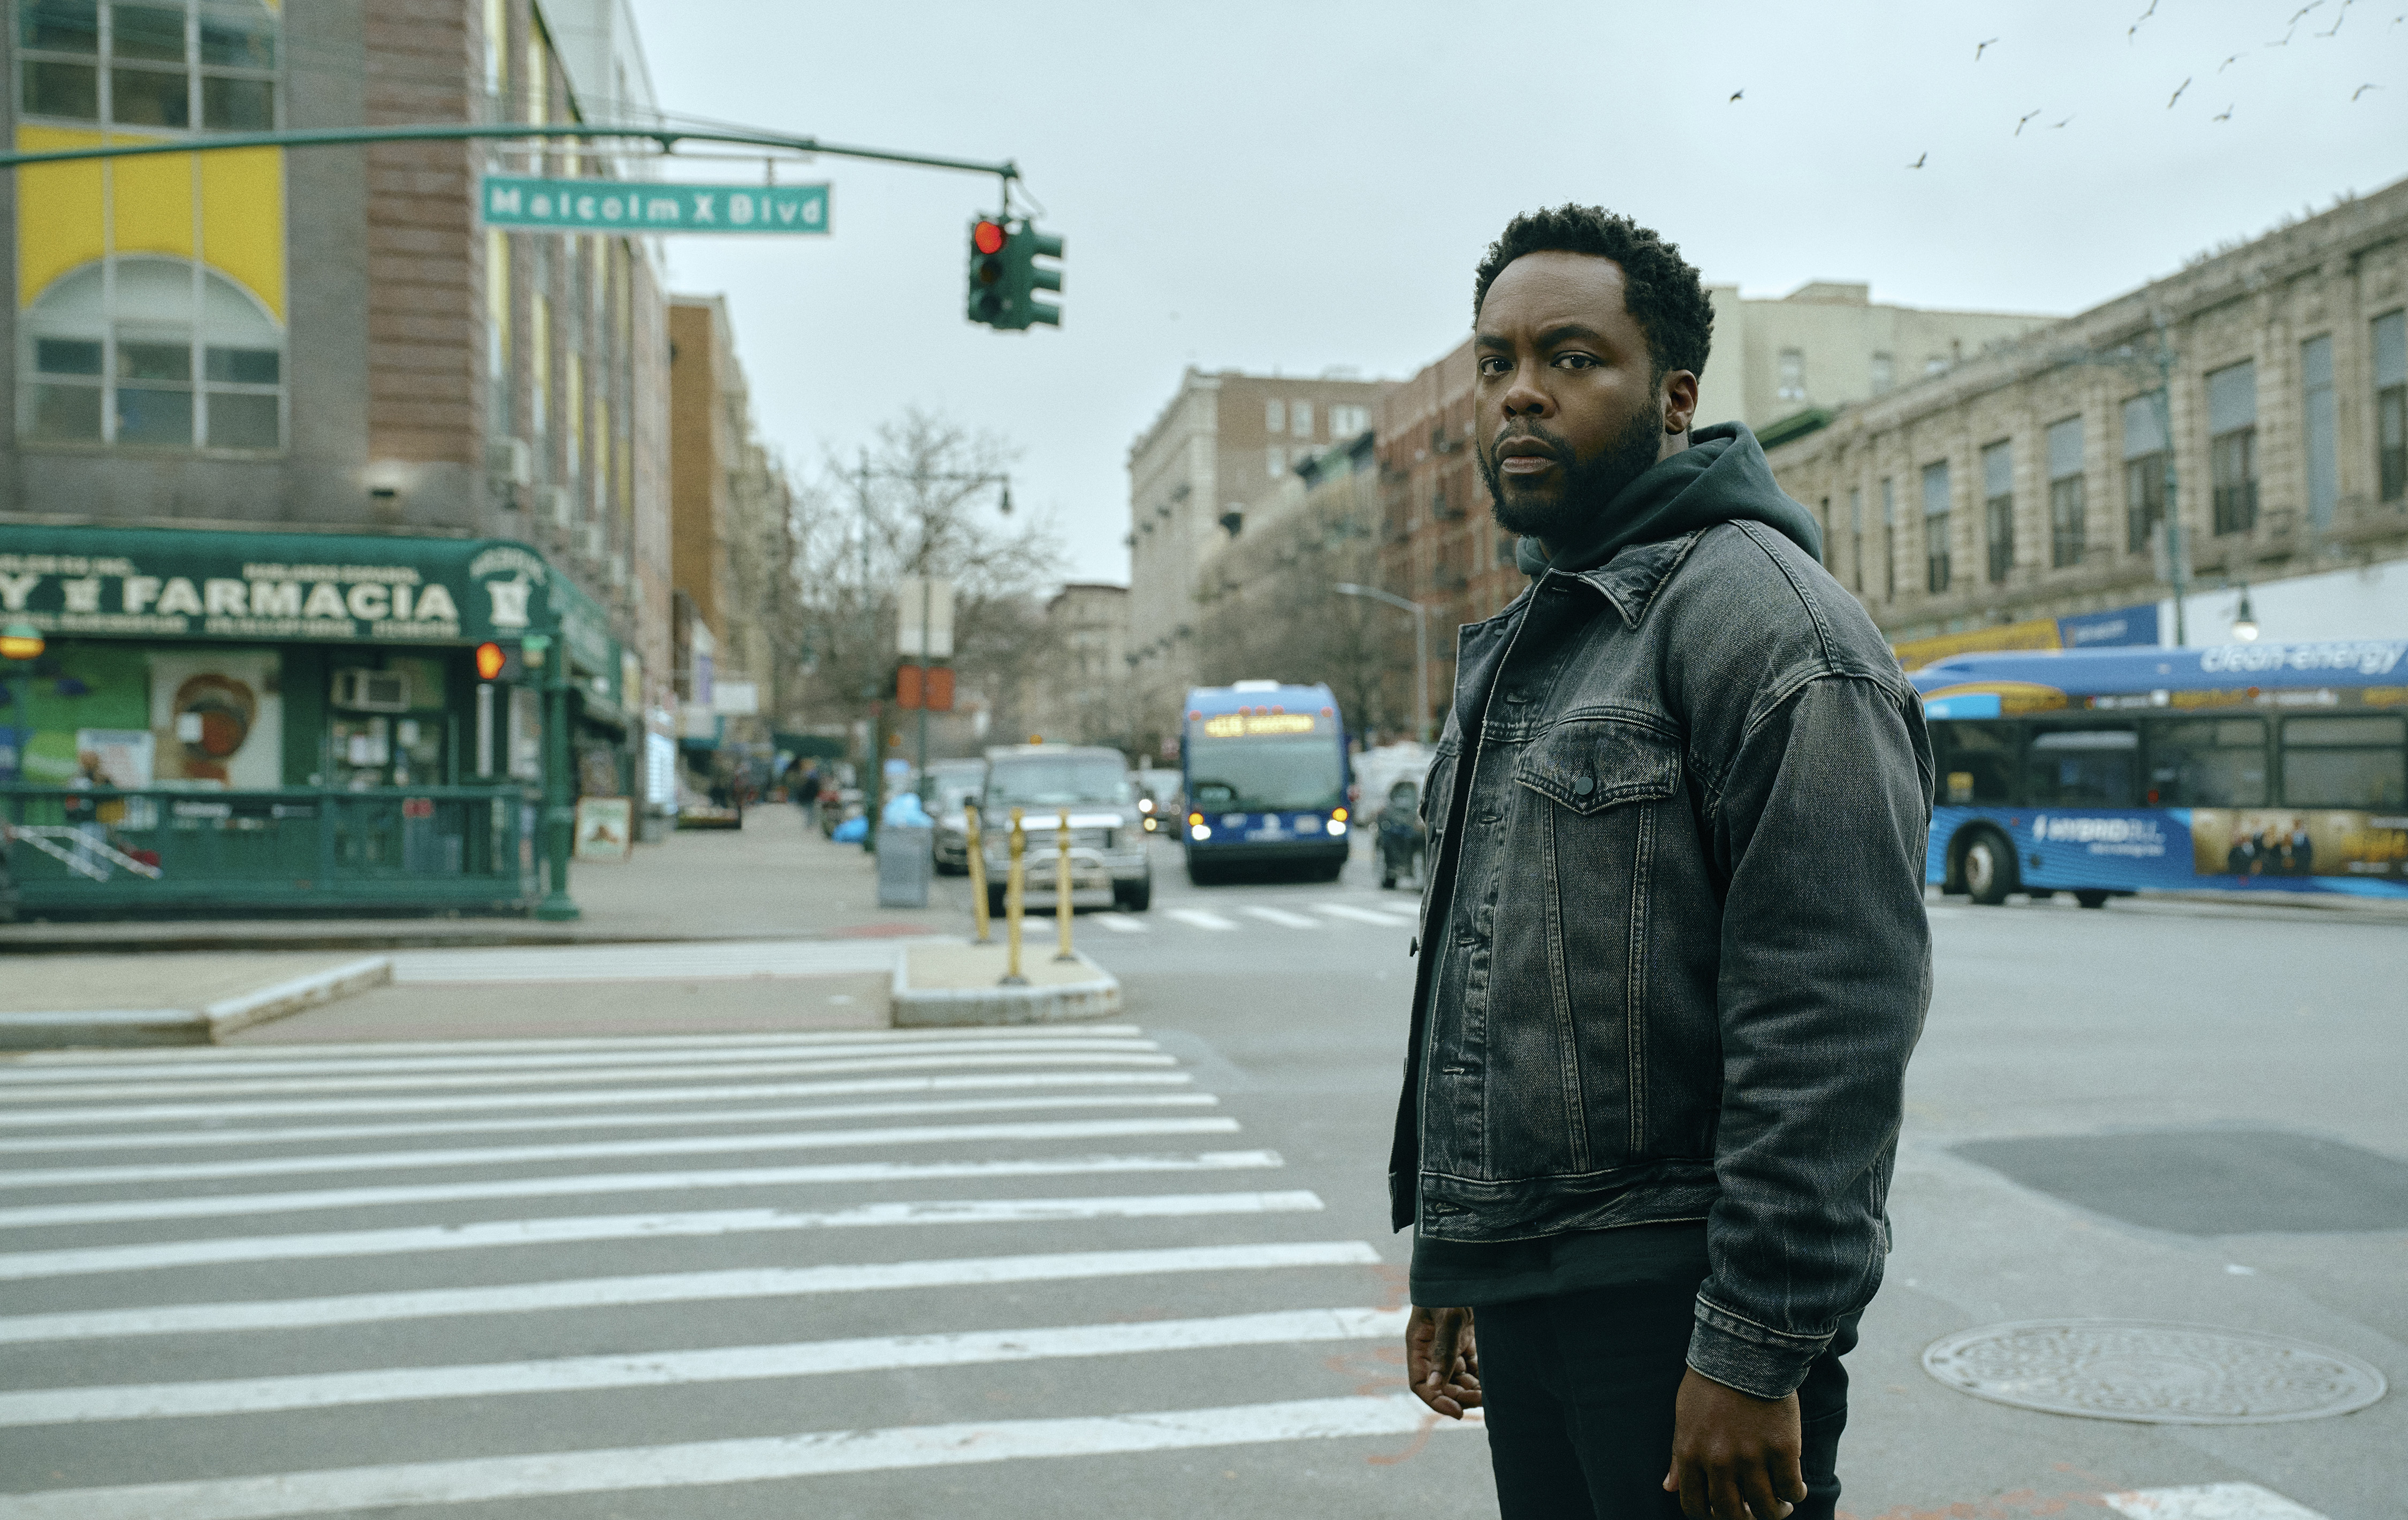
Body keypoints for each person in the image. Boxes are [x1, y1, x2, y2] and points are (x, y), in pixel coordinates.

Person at [1392, 206, 1932, 1520]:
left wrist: (1754, 1348)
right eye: (1497, 361)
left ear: (1674, 395)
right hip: (1539, 1291)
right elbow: (1491, 975)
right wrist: (1460, 1254)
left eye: (1572, 359)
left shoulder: (1772, 628)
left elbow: (1831, 1019)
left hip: (1682, 1311)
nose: (1520, 393)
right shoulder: (1537, 634)